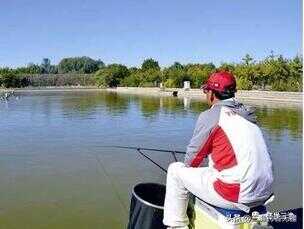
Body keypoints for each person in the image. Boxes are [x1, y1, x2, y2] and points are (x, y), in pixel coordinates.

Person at [163, 71, 274, 229]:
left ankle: (177, 226)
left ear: (212, 94)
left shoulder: (211, 116)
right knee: (214, 169)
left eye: (205, 91)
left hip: (236, 194)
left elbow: (192, 161)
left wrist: (188, 175)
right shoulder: (248, 116)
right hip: (265, 192)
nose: (205, 95)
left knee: (175, 170)